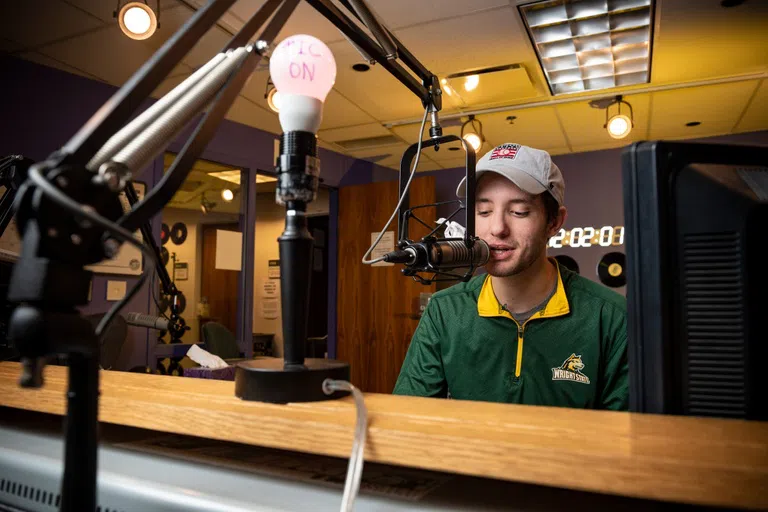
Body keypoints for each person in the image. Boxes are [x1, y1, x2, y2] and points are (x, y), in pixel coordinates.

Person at [393, 143, 628, 410]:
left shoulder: (612, 319)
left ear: (554, 222)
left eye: (519, 212)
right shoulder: (444, 311)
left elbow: (628, 440)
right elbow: (409, 418)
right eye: (483, 212)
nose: (497, 229)